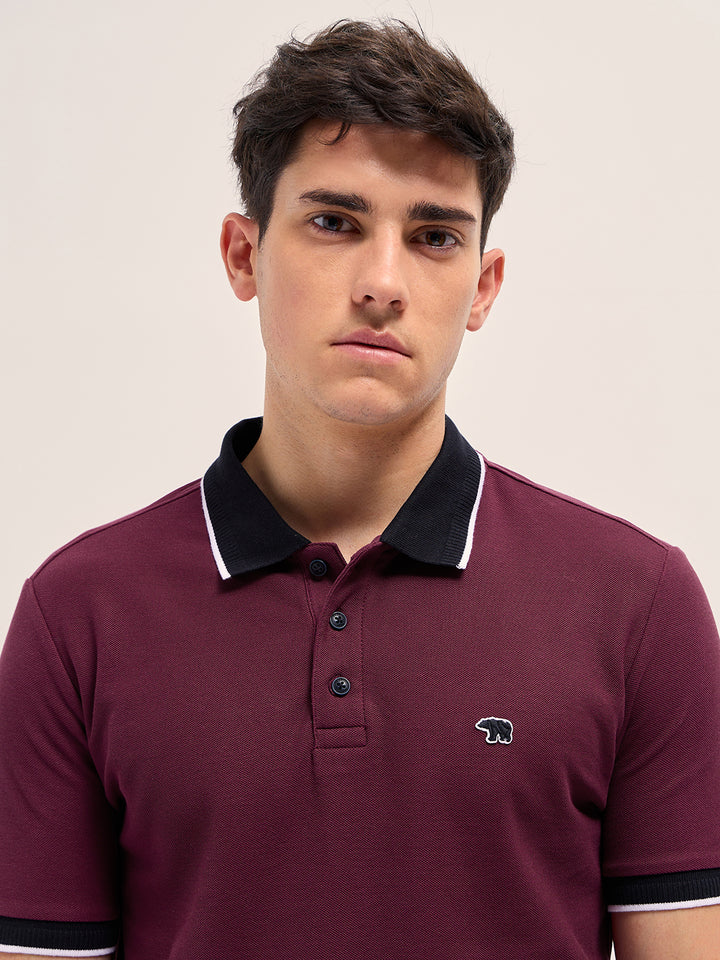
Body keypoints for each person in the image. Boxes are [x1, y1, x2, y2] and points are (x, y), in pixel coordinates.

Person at [0, 19, 718, 960]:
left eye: (433, 236)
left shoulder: (639, 607)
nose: (382, 284)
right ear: (243, 255)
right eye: (334, 223)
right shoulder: (78, 617)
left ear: (483, 286)